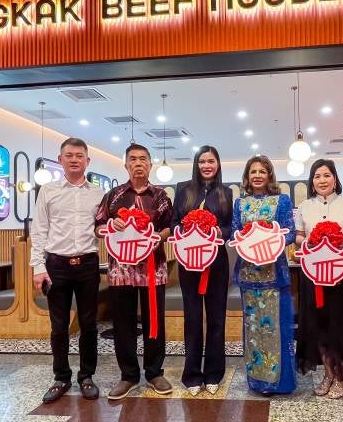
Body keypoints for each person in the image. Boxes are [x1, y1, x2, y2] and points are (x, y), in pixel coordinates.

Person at [95, 143, 174, 400]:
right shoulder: (113, 195)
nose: (138, 163)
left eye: (143, 159)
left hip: (153, 267)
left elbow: (169, 228)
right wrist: (110, 223)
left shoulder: (161, 196)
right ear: (126, 164)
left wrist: (156, 236)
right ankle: (128, 375)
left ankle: (154, 373)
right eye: (133, 159)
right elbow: (97, 226)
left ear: (150, 164)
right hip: (121, 269)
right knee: (123, 322)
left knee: (154, 321)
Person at [31, 138, 105, 403]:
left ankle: (87, 377)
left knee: (88, 324)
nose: (75, 159)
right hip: (56, 265)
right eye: (69, 155)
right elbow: (38, 231)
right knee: (59, 326)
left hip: (87, 263)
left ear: (87, 161)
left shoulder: (98, 194)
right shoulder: (48, 191)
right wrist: (38, 267)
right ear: (60, 159)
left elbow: (103, 228)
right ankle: (61, 377)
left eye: (80, 156)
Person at [294, 159, 343, 399]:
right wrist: (312, 243)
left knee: (338, 326)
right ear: (312, 182)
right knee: (317, 327)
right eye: (317, 176)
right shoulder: (305, 206)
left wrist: (339, 243)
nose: (322, 180)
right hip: (312, 274)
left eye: (326, 175)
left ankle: (341, 376)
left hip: (339, 274)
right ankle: (327, 373)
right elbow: (299, 238)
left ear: (335, 178)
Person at [231, 155, 297, 395]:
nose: (257, 175)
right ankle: (257, 381)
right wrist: (247, 240)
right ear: (247, 177)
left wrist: (271, 239)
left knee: (275, 328)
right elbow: (234, 234)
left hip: (273, 274)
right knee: (254, 329)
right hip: (249, 276)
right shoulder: (240, 203)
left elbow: (290, 232)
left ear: (269, 175)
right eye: (253, 171)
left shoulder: (282, 200)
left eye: (262, 171)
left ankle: (278, 382)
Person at [171, 146, 233, 396]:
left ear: (218, 164)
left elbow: (231, 227)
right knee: (193, 317)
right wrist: (185, 230)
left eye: (211, 161)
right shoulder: (183, 189)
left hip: (217, 262)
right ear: (196, 164)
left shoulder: (226, 192)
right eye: (202, 161)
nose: (207, 165)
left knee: (217, 318)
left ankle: (214, 373)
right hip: (189, 262)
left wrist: (220, 232)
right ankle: (192, 374)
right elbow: (174, 222)